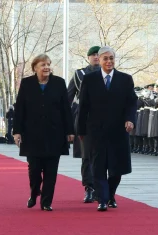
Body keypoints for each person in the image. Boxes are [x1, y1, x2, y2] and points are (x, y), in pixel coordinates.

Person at [77, 46, 138, 211]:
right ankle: (102, 199)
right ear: (100, 60)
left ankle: (111, 194)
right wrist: (80, 130)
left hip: (118, 130)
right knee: (97, 166)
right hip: (95, 131)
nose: (109, 61)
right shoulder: (89, 79)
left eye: (111, 58)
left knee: (116, 168)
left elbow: (131, 102)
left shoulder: (125, 79)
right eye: (105, 58)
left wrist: (130, 120)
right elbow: (83, 106)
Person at [13, 54, 74, 211]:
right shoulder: (27, 83)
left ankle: (46, 202)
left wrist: (70, 131)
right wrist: (17, 131)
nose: (46, 67)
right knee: (34, 170)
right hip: (32, 134)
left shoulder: (59, 83)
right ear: (35, 68)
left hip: (55, 133)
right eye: (43, 64)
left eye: (48, 64)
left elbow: (66, 109)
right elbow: (20, 108)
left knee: (51, 170)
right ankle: (34, 193)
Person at [67, 46, 101, 203]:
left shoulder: (109, 74)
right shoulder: (79, 74)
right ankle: (89, 187)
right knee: (86, 155)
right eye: (93, 55)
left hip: (103, 120)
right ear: (88, 57)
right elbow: (68, 97)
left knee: (102, 155)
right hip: (85, 119)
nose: (96, 57)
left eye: (98, 55)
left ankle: (102, 188)